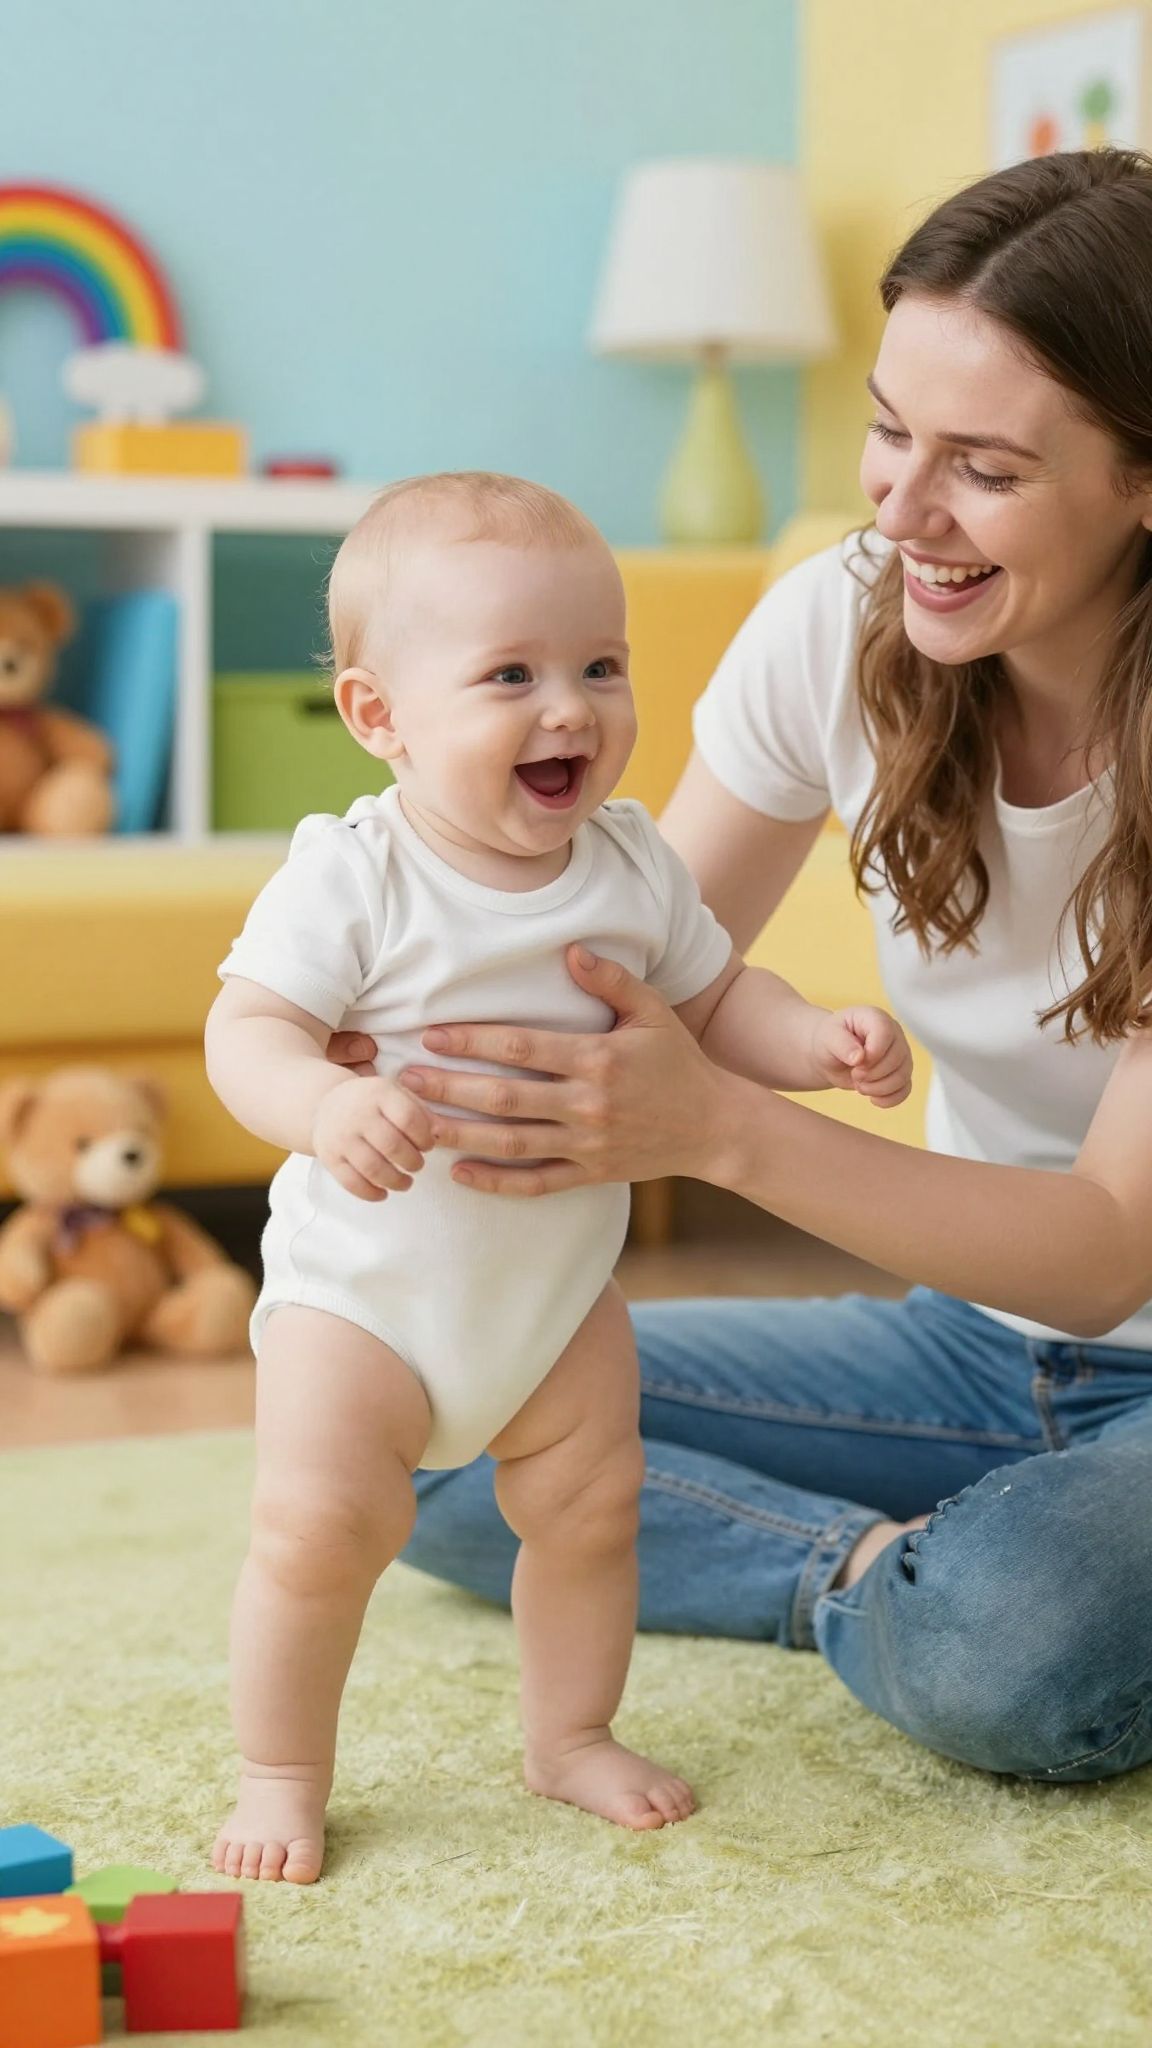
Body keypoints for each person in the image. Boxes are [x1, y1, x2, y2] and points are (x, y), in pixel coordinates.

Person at [328, 150, 1152, 1789]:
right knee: (410, 1427)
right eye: (889, 428)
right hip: (973, 1347)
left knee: (1020, 1643)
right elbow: (606, 961)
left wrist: (714, 1126)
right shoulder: (842, 628)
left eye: (983, 468)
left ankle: (969, 1583)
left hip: (1094, 1308)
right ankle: (866, 1577)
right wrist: (387, 1033)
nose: (903, 511)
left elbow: (1106, 1256)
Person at [203, 471, 912, 1882]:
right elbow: (246, 1033)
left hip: (555, 1300)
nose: (570, 709)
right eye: (510, 676)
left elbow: (716, 1005)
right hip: (365, 1302)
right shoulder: (356, 877)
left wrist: (815, 1041)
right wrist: (324, 1100)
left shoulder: (634, 868)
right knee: (315, 1528)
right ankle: (281, 1769)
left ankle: (570, 1734)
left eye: (601, 665)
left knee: (593, 1508)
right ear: (379, 717)